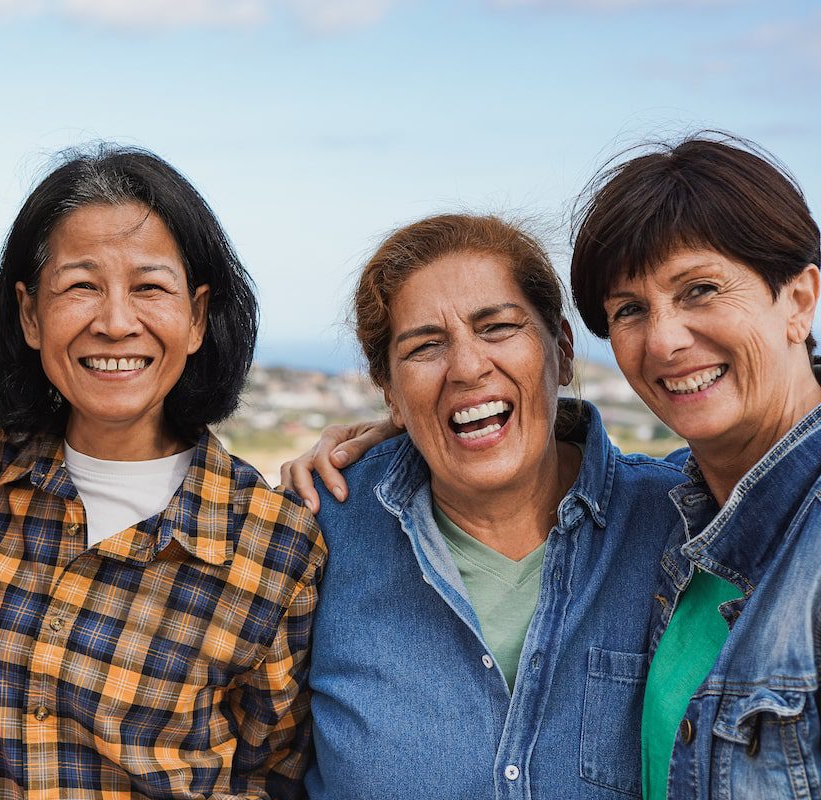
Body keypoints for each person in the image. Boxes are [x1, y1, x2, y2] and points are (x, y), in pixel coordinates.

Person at [0, 147, 326, 800]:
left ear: (198, 317)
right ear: (31, 314)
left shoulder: (275, 546)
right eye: (81, 286)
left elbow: (278, 771)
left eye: (149, 287)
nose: (116, 322)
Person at [291, 213, 685, 799]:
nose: (469, 367)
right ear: (389, 392)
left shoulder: (682, 521)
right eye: (425, 347)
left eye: (498, 328)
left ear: (564, 350)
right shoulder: (317, 532)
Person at [569, 135, 821, 799]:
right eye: (628, 309)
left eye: (700, 290)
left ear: (798, 300)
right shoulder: (673, 510)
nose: (663, 341)